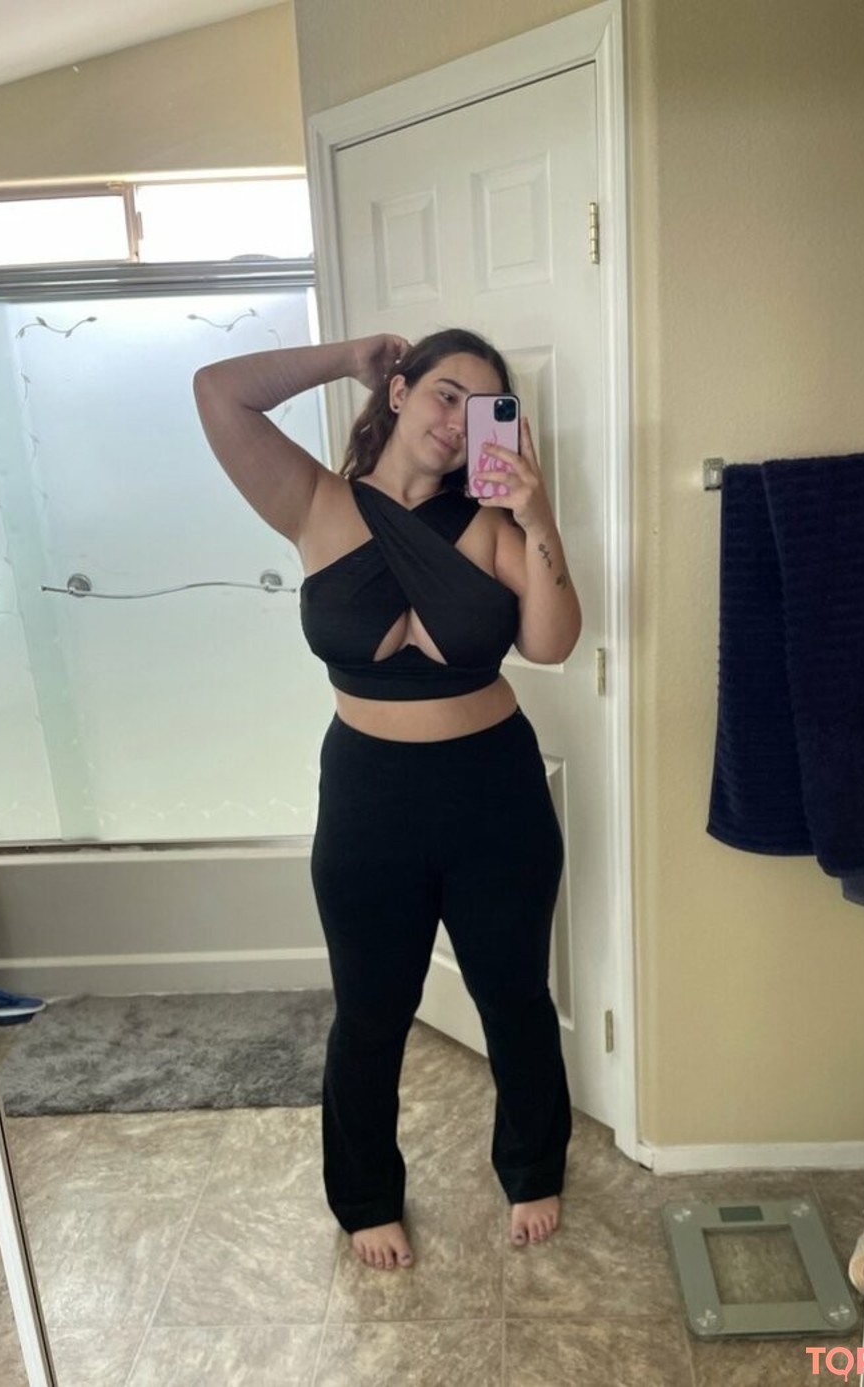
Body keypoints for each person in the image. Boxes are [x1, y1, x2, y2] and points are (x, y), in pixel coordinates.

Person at [193, 328, 581, 1272]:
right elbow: (217, 390)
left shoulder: (492, 525)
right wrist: (348, 358)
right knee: (370, 1009)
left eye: (483, 408)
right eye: (446, 393)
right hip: (369, 799)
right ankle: (366, 1194)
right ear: (399, 392)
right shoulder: (314, 502)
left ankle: (534, 1167)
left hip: (495, 795)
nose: (458, 420)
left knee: (514, 997)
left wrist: (538, 516)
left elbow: (553, 642)